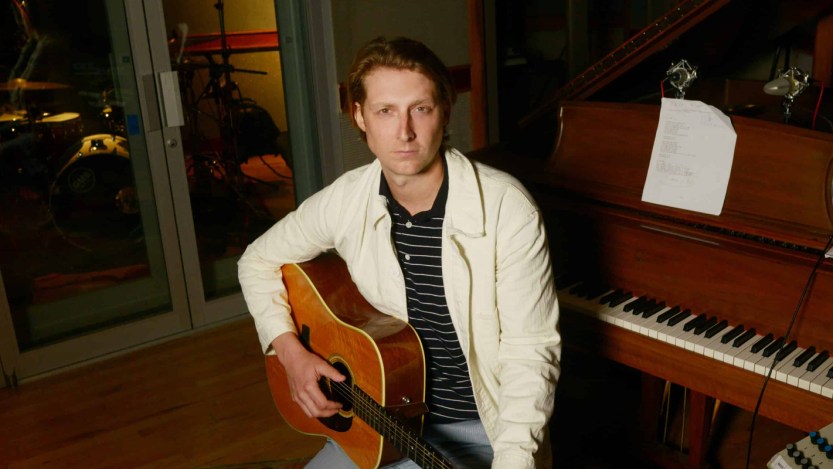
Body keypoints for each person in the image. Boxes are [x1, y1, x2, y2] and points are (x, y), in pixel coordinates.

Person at [238, 36, 561, 469]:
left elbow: (531, 351)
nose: (404, 131)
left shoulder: (507, 208)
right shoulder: (347, 198)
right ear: (360, 116)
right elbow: (256, 261)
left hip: (483, 430)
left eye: (420, 109)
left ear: (445, 110)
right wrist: (290, 353)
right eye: (385, 111)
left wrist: (514, 460)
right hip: (378, 420)